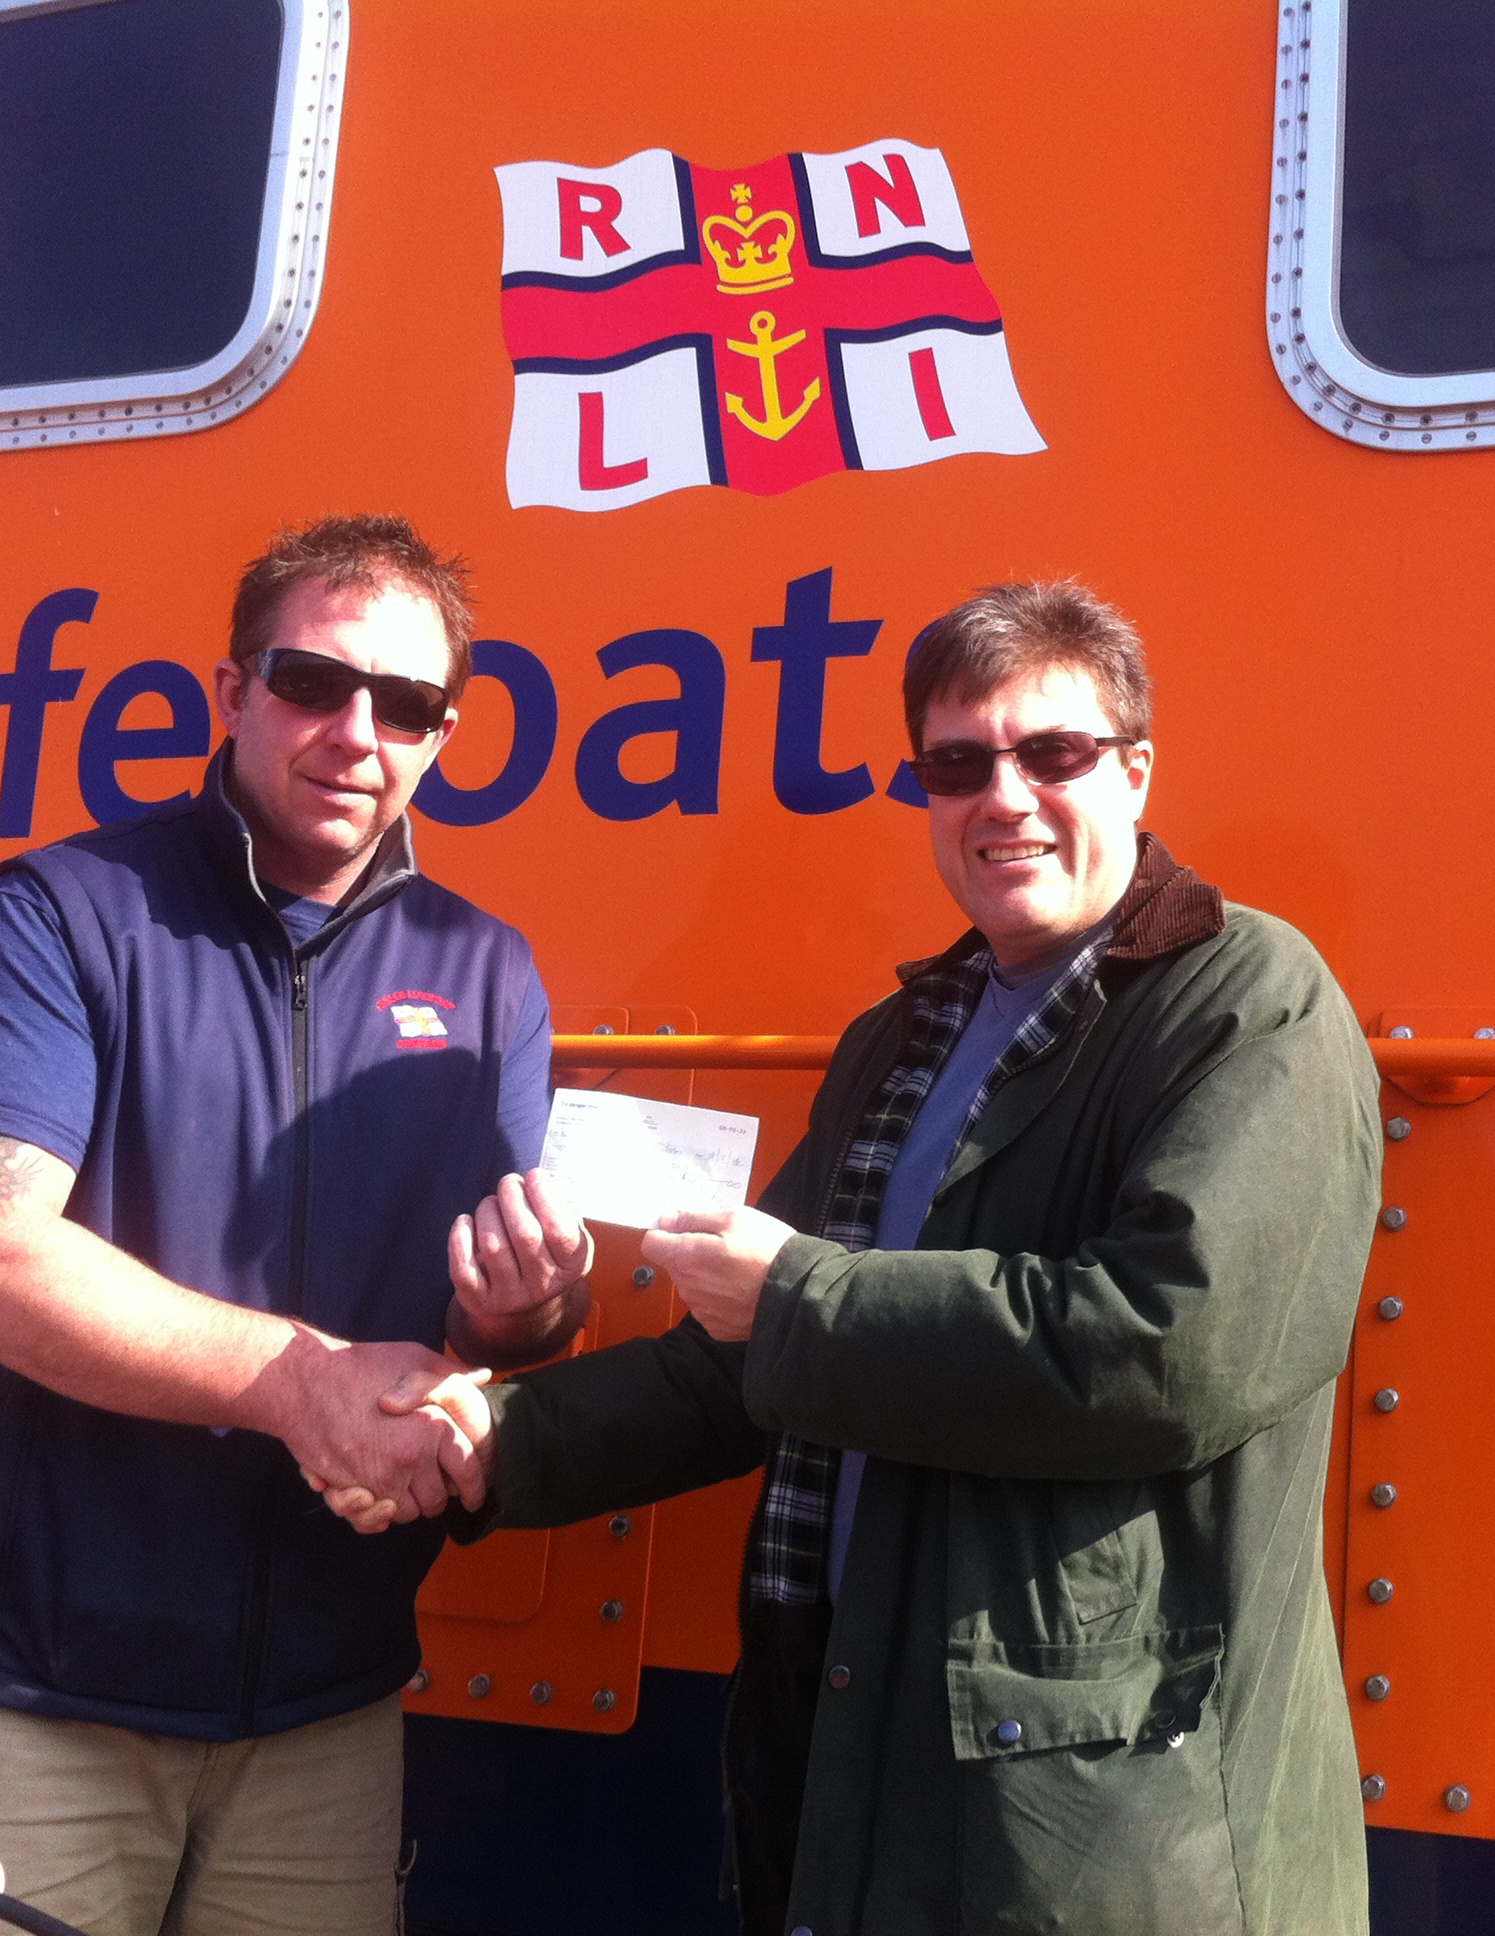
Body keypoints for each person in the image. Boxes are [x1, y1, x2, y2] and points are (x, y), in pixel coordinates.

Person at [346, 581, 1382, 1935]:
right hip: (847, 1750)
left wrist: (798, 1296)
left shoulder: (1250, 999)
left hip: (1095, 1827)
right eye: (956, 766)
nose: (1002, 798)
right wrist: (491, 1438)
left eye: (1051, 754)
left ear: (1133, 771)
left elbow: (1166, 1349)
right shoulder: (902, 1037)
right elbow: (740, 1365)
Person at [0, 514, 592, 1936]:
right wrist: (299, 1383)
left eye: (406, 704)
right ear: (233, 693)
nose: (355, 732)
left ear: (443, 737)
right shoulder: (66, 912)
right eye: (314, 682)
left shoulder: (487, 971)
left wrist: (522, 1309)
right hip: (30, 1699)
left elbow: (507, 1325)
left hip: (326, 1715)